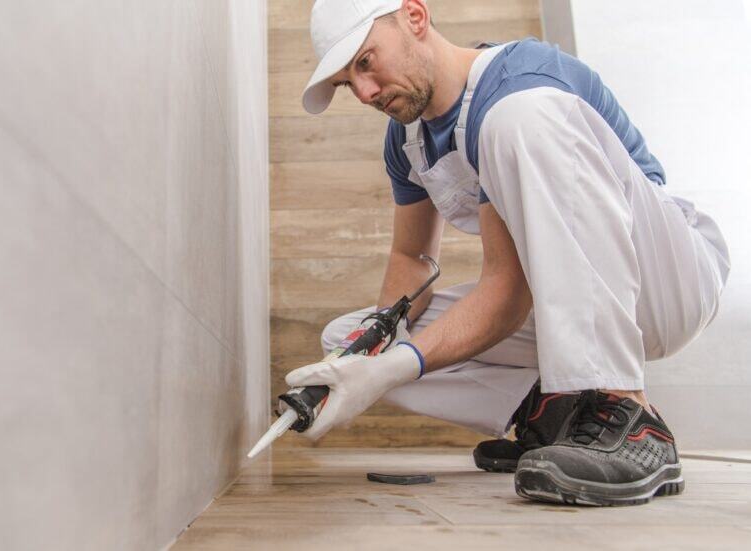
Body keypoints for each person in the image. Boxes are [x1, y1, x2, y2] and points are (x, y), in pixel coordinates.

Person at [287, 0, 730, 506]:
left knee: (516, 117)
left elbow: (506, 292)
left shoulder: (517, 88)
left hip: (666, 276)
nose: (365, 92)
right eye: (349, 82)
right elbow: (412, 259)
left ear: (415, 17)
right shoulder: (406, 137)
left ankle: (625, 413)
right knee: (350, 340)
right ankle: (554, 416)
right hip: (572, 299)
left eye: (366, 62)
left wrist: (393, 369)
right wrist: (373, 352)